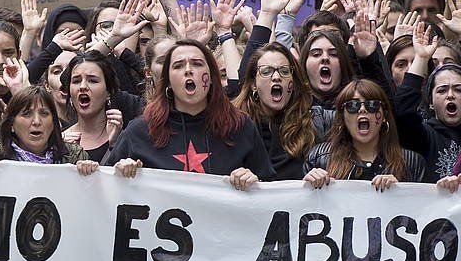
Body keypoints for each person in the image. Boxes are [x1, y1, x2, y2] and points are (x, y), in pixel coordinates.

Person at [107, 39, 273, 189]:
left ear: (212, 76)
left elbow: (272, 192)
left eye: (197, 64)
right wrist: (120, 173)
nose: (188, 70)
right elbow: (104, 186)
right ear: (168, 81)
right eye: (178, 66)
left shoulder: (240, 126)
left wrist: (255, 182)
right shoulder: (141, 130)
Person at [304, 79, 426, 190]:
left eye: (373, 105)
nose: (362, 110)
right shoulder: (319, 158)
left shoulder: (411, 162)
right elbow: (305, 210)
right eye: (352, 105)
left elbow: (423, 210)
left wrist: (399, 192)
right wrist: (308, 186)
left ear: (384, 116)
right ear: (342, 117)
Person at [232, 43, 319, 179]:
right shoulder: (235, 128)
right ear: (254, 84)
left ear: (293, 82)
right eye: (266, 71)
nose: (277, 77)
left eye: (284, 71)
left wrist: (316, 175)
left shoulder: (311, 125)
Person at [0, 85, 98, 172]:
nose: (37, 122)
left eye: (44, 113)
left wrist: (89, 174)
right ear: (11, 125)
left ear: (54, 122)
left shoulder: (75, 157)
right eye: (27, 114)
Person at [393, 23, 461, 181]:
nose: (450, 95)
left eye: (458, 89)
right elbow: (403, 112)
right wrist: (421, 58)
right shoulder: (425, 136)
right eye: (442, 90)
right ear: (430, 102)